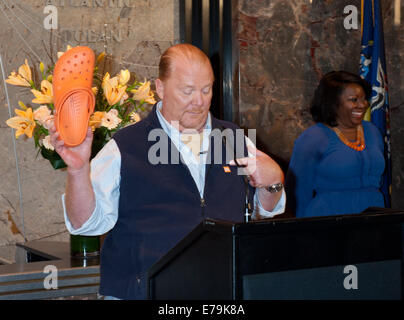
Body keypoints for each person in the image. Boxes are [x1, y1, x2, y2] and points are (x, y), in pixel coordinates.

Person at [50, 43, 286, 300]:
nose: (199, 101)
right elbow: (85, 224)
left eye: (206, 90)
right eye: (187, 91)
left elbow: (260, 213)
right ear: (160, 88)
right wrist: (78, 170)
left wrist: (274, 182)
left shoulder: (232, 139)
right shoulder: (125, 145)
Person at [285, 70, 386, 218]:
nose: (362, 105)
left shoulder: (373, 132)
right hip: (329, 225)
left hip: (375, 223)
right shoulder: (313, 138)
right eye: (354, 100)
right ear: (333, 103)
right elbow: (298, 194)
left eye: (364, 99)